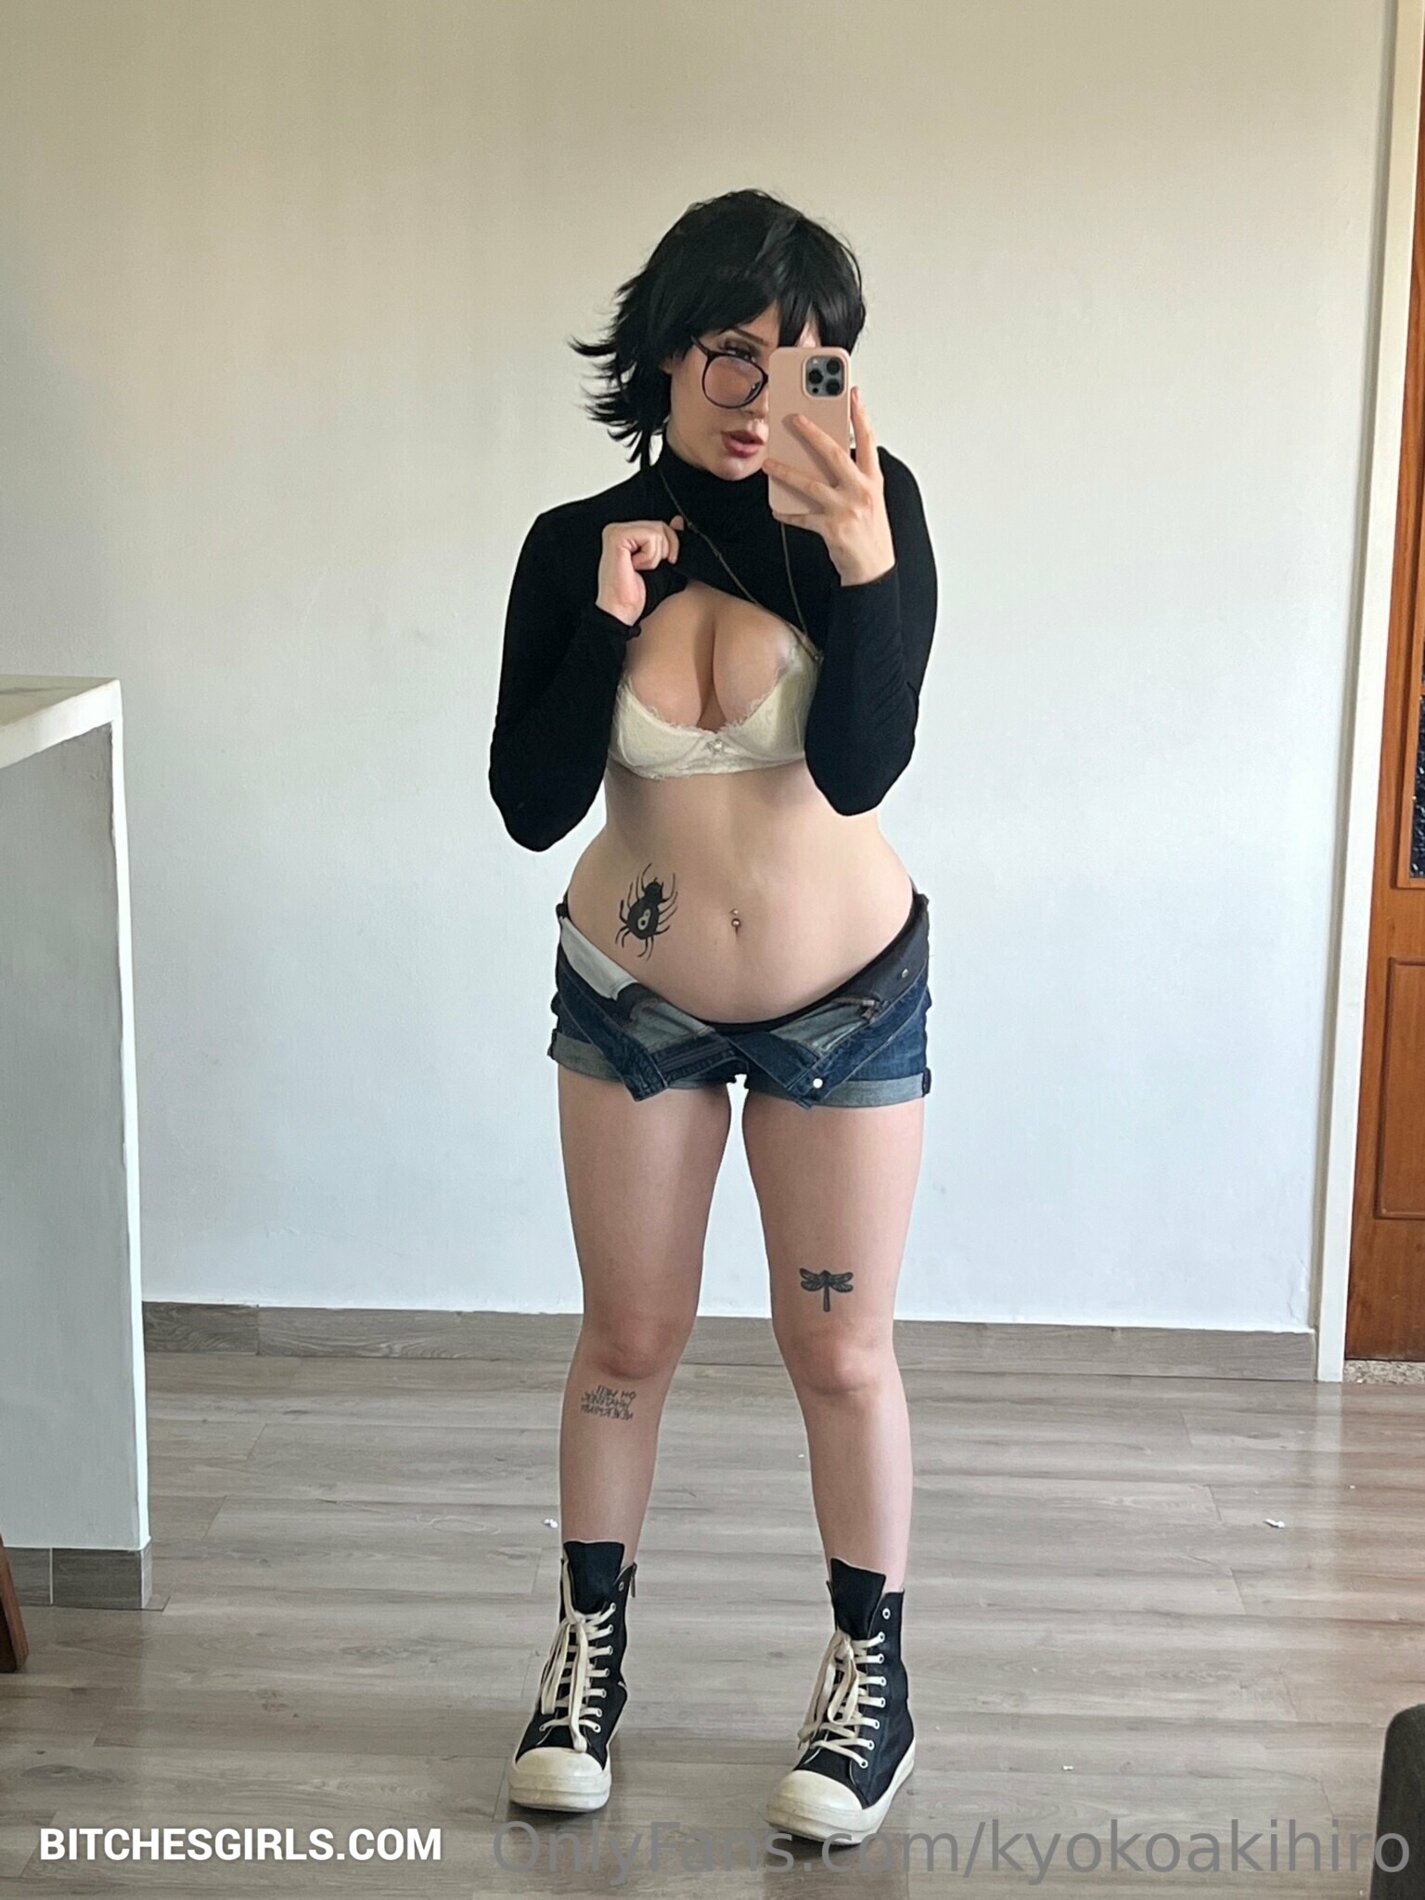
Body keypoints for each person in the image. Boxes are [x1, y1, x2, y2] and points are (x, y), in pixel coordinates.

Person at [488, 187, 938, 1846]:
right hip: (634, 1006)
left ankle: (869, 1684)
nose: (764, 397)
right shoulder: (574, 543)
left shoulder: (871, 515)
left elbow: (861, 769)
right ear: (667, 355)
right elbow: (529, 803)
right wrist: (607, 613)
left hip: (843, 1006)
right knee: (625, 1343)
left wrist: (864, 566)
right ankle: (584, 1659)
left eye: (810, 362)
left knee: (839, 1354)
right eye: (733, 355)